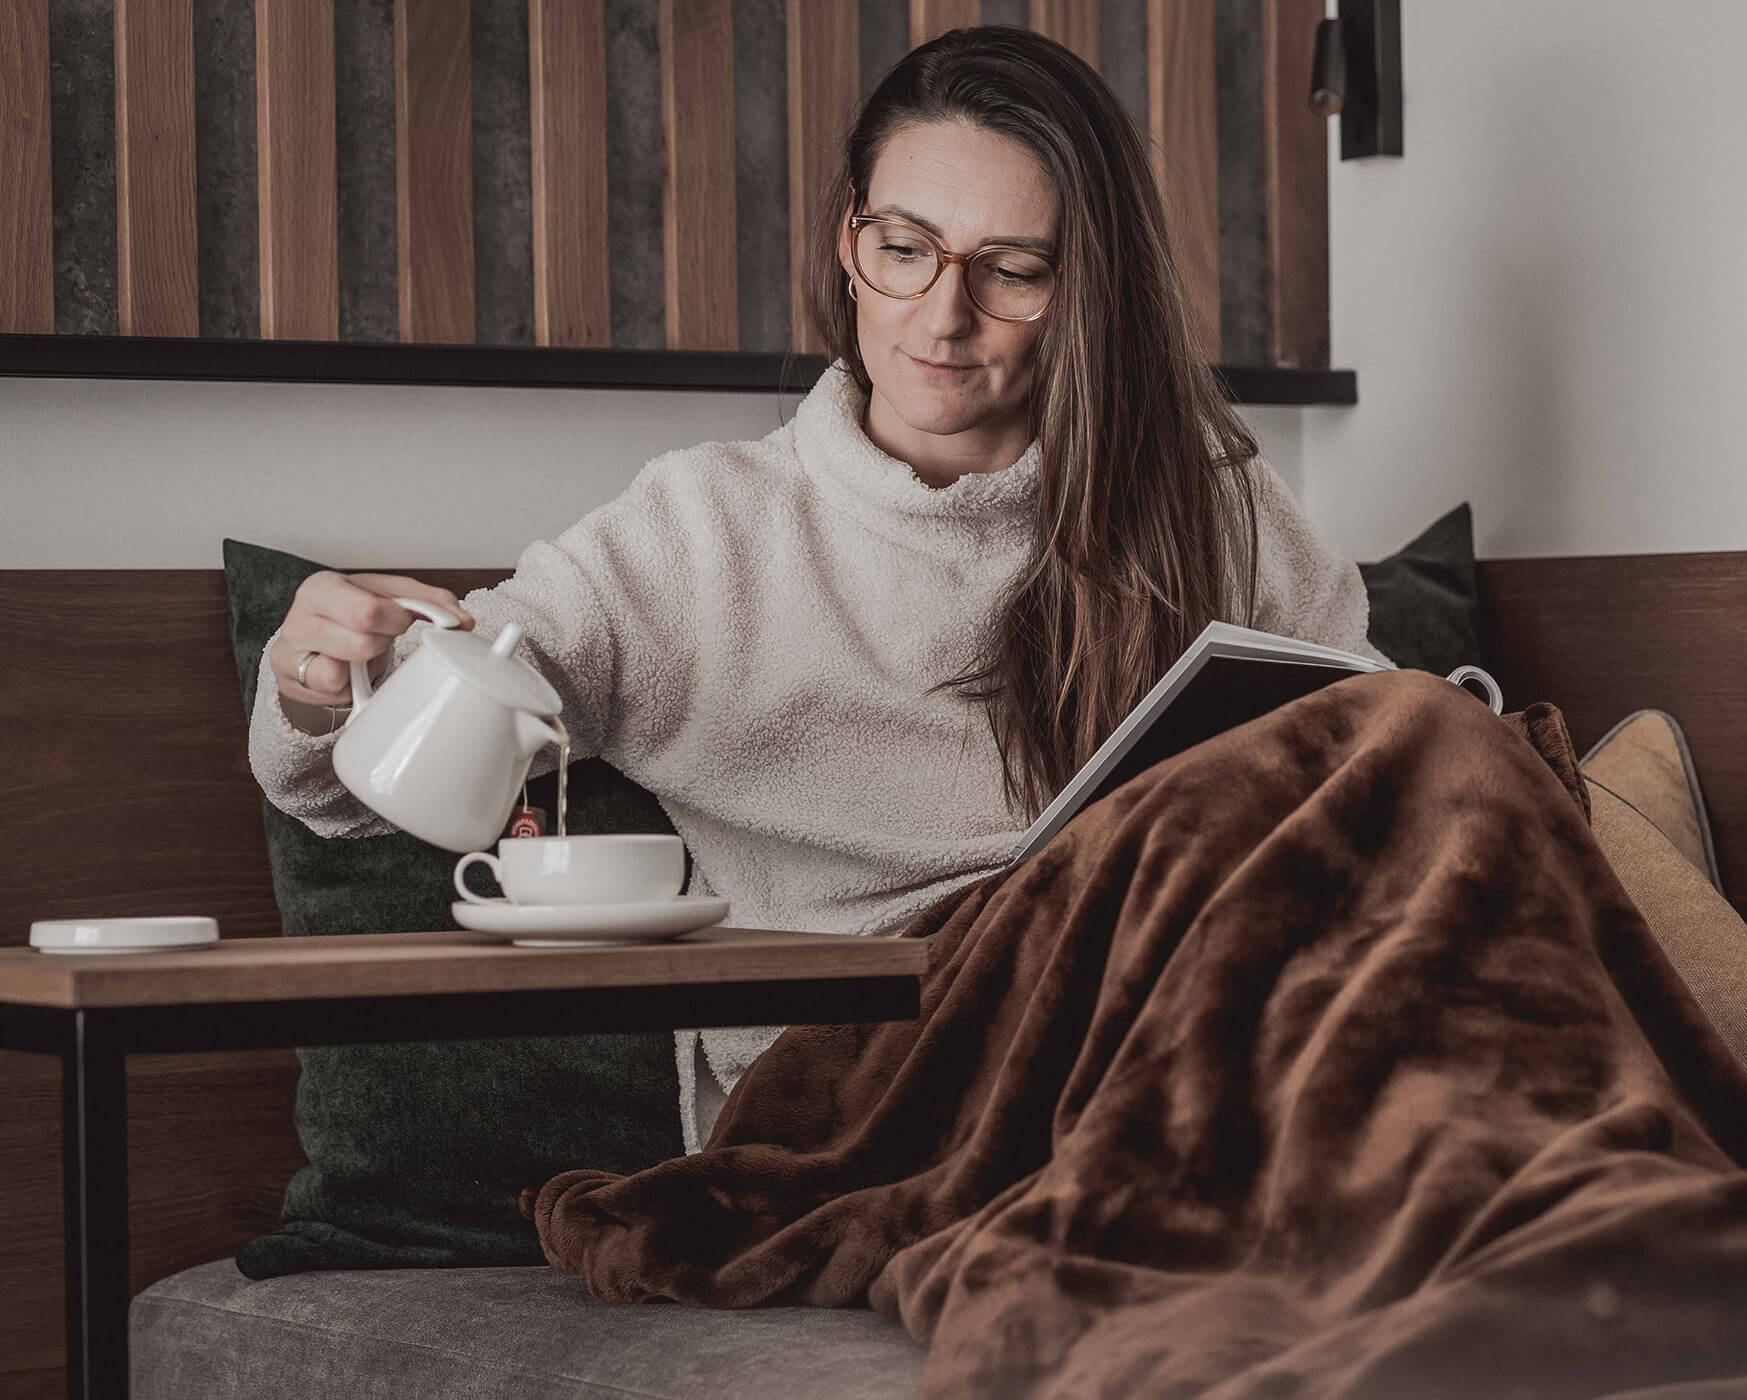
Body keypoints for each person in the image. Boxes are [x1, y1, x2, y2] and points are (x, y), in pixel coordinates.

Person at [250, 26, 1389, 1151]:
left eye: (1013, 270)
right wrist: (320, 678)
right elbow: (352, 769)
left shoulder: (1206, 499)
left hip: (1156, 1054)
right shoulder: (704, 533)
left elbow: (1385, 749)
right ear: (850, 245)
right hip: (853, 1106)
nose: (944, 315)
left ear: (1090, 287)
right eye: (905, 249)